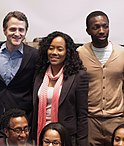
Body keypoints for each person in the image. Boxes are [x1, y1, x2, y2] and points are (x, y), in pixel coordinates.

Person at [0, 11, 39, 140]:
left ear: (26, 32)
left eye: (21, 30)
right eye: (13, 29)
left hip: (22, 123)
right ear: (4, 30)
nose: (17, 34)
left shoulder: (35, 56)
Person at [32, 31, 88, 146]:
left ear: (67, 52)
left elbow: (82, 115)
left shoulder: (78, 76)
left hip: (66, 136)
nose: (54, 52)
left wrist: (82, 142)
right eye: (51, 48)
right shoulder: (39, 74)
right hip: (42, 135)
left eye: (60, 49)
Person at [77, 10, 124, 146]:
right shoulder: (80, 54)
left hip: (117, 119)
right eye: (96, 27)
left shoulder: (121, 53)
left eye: (105, 26)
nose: (102, 30)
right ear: (88, 30)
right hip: (91, 121)